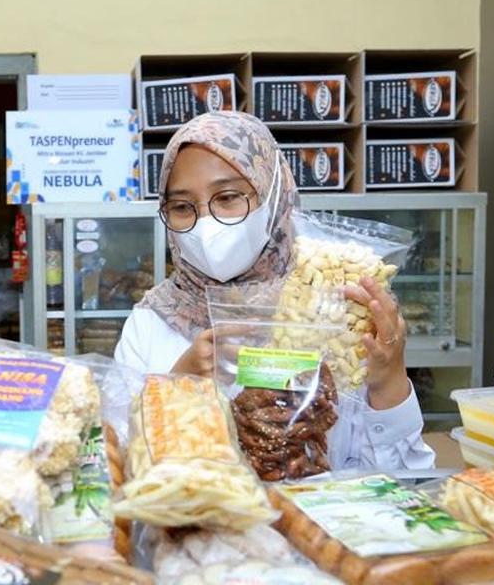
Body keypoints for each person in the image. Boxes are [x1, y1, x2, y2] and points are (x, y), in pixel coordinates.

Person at [114, 111, 434, 470]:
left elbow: (404, 477)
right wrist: (176, 390)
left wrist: (388, 380)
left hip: (318, 522)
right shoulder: (151, 323)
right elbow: (118, 471)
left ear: (273, 193)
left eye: (228, 197)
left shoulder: (334, 309)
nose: (206, 223)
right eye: (182, 207)